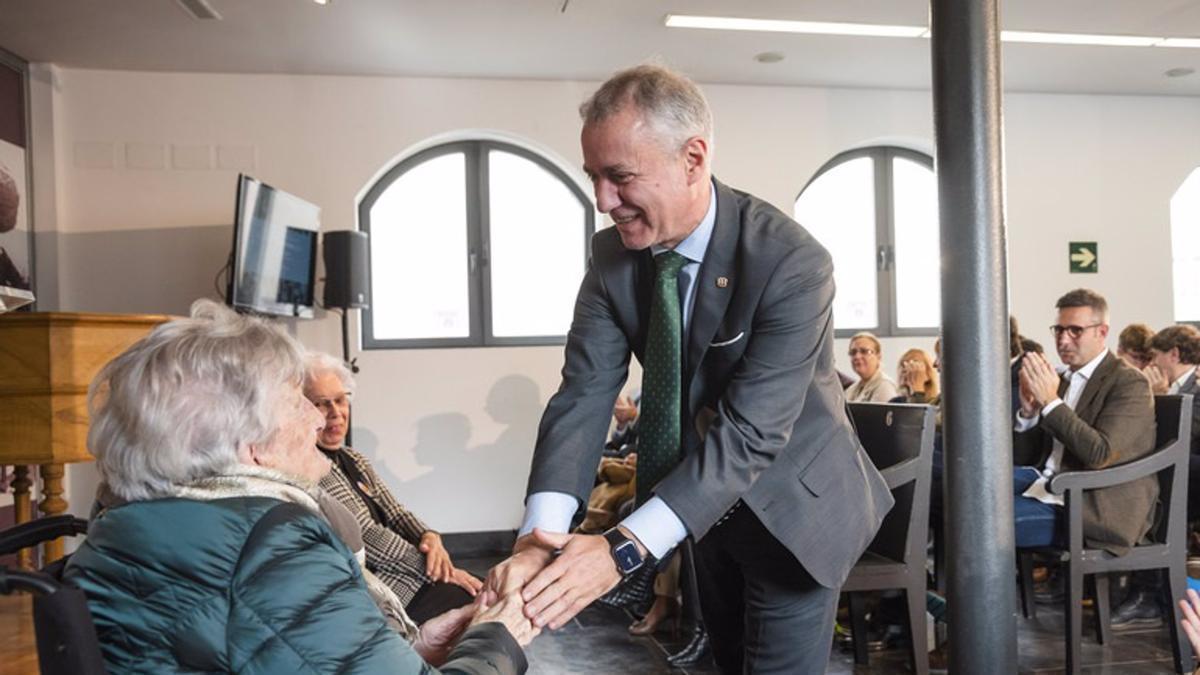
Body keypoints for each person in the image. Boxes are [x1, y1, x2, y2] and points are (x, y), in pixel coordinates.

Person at [485, 64, 892, 673]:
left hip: (797, 511)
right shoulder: (612, 257)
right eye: (594, 177)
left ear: (693, 158)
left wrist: (620, 552)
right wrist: (540, 536)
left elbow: (752, 433)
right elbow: (584, 391)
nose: (603, 201)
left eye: (620, 177)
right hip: (704, 506)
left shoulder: (792, 262)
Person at [64, 300, 535, 673]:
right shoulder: (272, 543)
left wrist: (414, 646)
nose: (317, 419)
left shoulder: (124, 522)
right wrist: (498, 638)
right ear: (251, 446)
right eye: (296, 403)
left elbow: (271, 647)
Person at [304, 351, 483, 624]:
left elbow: (397, 513)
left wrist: (430, 536)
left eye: (340, 401)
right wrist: (440, 570)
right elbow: (367, 534)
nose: (335, 413)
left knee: (485, 593)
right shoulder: (311, 467)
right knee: (480, 599)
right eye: (322, 404)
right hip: (380, 590)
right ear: (301, 409)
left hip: (408, 575)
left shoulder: (354, 458)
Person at [1013, 289, 1157, 553]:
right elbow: (1026, 458)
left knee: (982, 520)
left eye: (1075, 331)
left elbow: (1099, 453)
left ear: (1102, 332)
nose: (1063, 340)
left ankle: (998, 594)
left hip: (1091, 504)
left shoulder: (1129, 382)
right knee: (968, 485)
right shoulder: (1063, 379)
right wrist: (1029, 415)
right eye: (1058, 330)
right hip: (1048, 487)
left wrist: (1051, 403)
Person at [844, 332, 900, 402]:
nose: (857, 356)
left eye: (864, 351)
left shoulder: (885, 386)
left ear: (878, 356)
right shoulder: (851, 390)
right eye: (853, 352)